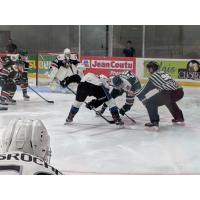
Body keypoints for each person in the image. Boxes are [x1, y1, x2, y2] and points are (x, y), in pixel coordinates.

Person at [136, 61, 184, 129]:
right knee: (168, 101)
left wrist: (134, 92)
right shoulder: (163, 72)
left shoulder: (153, 77)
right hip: (180, 92)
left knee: (150, 103)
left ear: (151, 69)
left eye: (149, 68)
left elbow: (143, 91)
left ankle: (154, 122)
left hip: (169, 93)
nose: (149, 70)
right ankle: (179, 117)